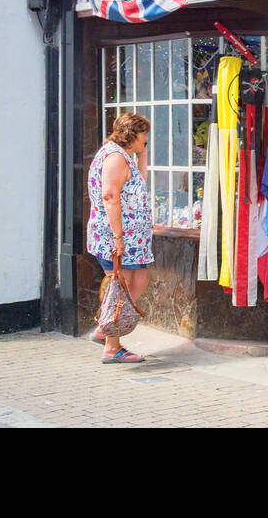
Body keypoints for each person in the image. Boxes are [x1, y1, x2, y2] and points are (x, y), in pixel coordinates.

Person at [88, 113, 154, 363]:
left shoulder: (123, 156)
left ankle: (106, 325)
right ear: (132, 135)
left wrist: (143, 155)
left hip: (133, 240)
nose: (146, 139)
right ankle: (112, 347)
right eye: (143, 135)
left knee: (139, 279)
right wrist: (118, 237)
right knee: (120, 285)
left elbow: (138, 185)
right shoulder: (115, 157)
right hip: (114, 236)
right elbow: (109, 196)